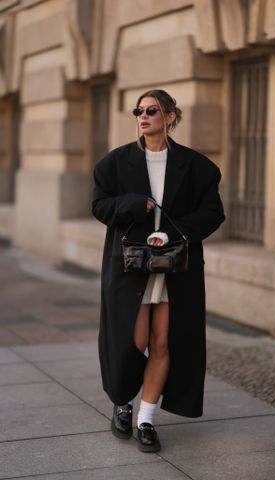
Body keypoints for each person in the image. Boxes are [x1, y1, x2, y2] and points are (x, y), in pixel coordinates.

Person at [92, 89, 225, 452]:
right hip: (130, 265)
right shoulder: (115, 163)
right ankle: (123, 400)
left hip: (175, 267)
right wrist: (134, 204)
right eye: (139, 110)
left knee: (164, 341)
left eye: (152, 110)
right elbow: (100, 206)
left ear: (170, 116)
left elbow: (213, 213)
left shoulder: (196, 166)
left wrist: (172, 231)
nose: (143, 116)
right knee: (132, 342)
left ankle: (146, 418)